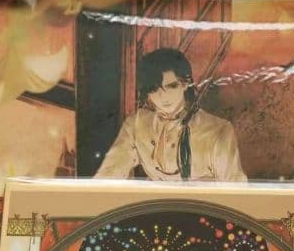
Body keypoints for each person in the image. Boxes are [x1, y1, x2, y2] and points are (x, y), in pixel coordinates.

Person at [94, 48, 247, 182]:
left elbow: (236, 191)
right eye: (154, 89)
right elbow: (108, 175)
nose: (163, 96)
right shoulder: (136, 124)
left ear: (185, 83)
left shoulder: (219, 131)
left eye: (172, 86)